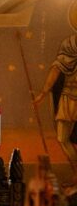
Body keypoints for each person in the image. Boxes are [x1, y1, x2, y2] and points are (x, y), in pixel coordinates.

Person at [34, 33, 77, 179]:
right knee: (62, 138)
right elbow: (56, 69)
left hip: (70, 97)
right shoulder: (69, 44)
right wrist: (43, 93)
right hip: (69, 97)